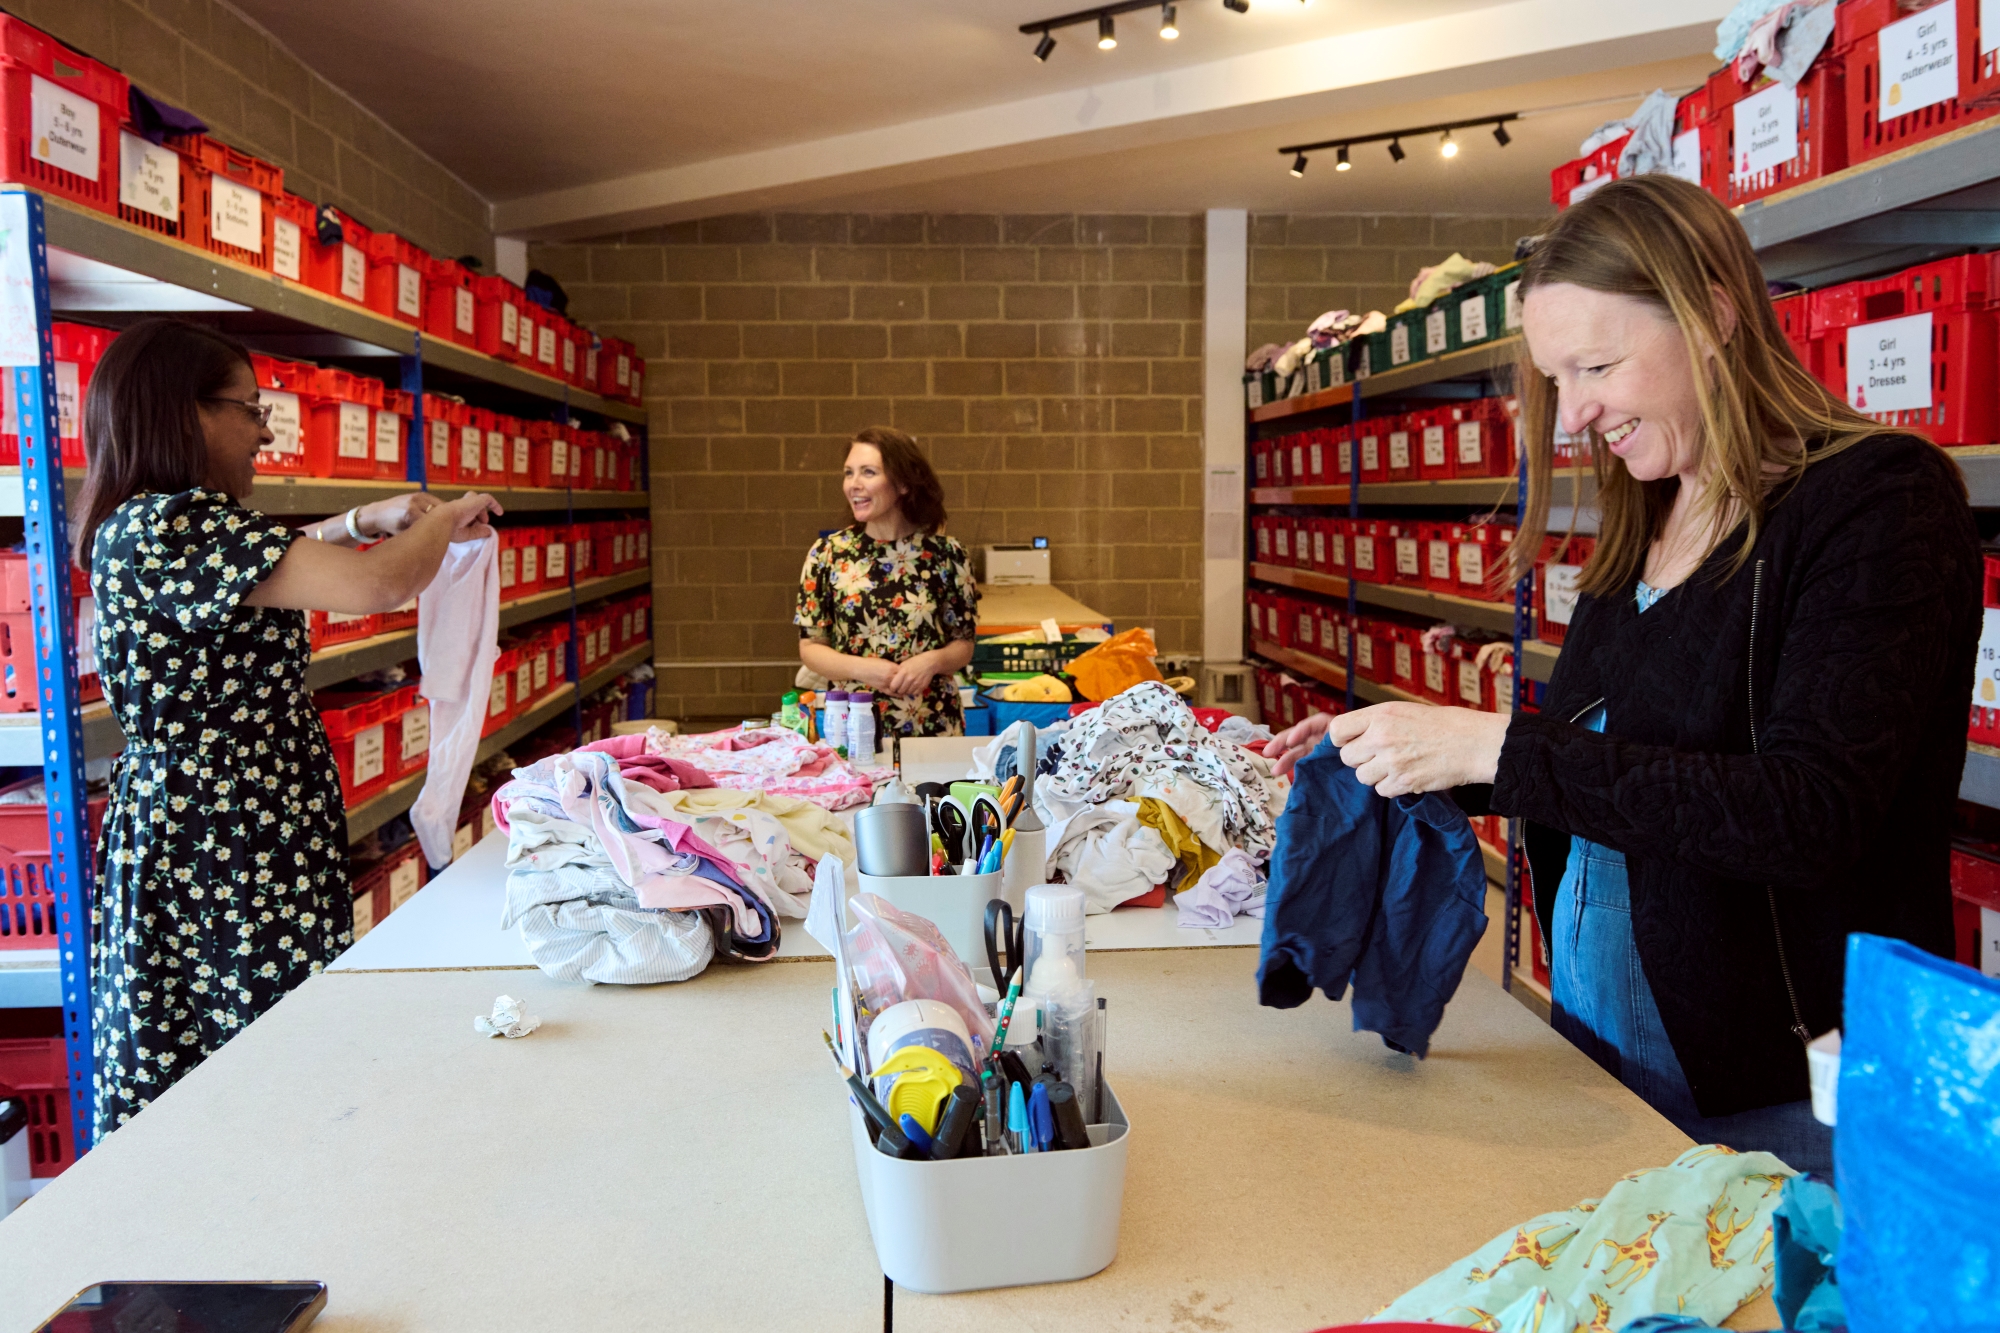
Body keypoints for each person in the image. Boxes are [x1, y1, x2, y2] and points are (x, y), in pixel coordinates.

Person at [1262, 175, 1977, 1175]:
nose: (1571, 416)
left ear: (1713, 318)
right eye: (1556, 378)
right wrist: (1418, 751)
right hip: (1607, 1049)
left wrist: (1497, 747)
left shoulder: (1878, 504)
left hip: (1783, 1087)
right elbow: (1618, 766)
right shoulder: (1648, 508)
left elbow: (1807, 814)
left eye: (1595, 365)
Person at [77, 318, 502, 1134]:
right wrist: (442, 521)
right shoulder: (169, 524)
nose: (264, 429)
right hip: (221, 843)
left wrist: (356, 520)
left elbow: (270, 564)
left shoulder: (176, 525)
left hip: (242, 826)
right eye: (249, 408)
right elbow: (377, 588)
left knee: (264, 1045)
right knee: (246, 1055)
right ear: (185, 413)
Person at [795, 426, 979, 738]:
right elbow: (811, 647)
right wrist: (864, 669)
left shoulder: (947, 555)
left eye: (868, 472)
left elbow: (963, 644)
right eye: (848, 473)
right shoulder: (828, 554)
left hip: (932, 723)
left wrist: (930, 662)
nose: (854, 484)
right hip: (853, 725)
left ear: (903, 483)